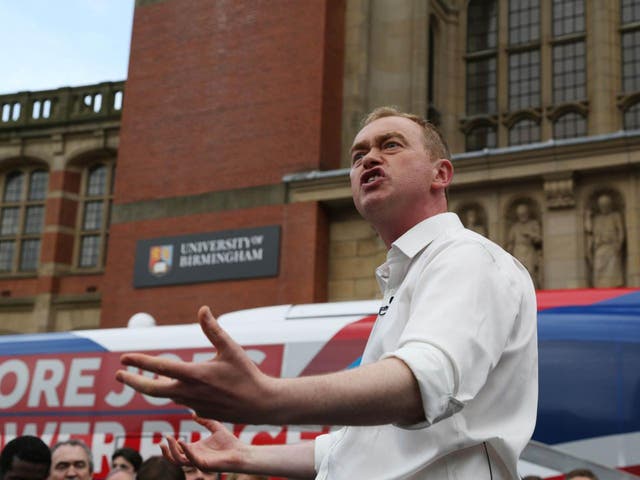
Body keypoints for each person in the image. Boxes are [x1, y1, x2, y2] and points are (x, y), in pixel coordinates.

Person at [116, 106, 538, 479]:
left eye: (391, 146)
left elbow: (424, 384)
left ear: (440, 174)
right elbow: (354, 448)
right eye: (358, 155)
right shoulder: (409, 276)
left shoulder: (466, 256)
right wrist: (245, 455)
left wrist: (268, 399)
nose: (369, 158)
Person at [585, 193, 625, 287]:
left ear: (609, 205)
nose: (603, 207)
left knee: (612, 273)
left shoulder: (615, 215)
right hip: (600, 247)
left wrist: (619, 244)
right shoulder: (596, 218)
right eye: (602, 205)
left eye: (606, 204)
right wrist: (587, 217)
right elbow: (590, 230)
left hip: (612, 247)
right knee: (598, 269)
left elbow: (621, 230)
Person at [506, 202, 542, 287]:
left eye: (524, 213)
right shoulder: (515, 227)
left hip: (530, 251)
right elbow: (510, 243)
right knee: (518, 274)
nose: (522, 216)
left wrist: (530, 234)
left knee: (531, 273)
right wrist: (508, 256)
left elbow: (539, 240)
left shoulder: (534, 224)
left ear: (528, 213)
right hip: (517, 251)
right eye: (520, 214)